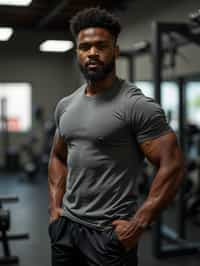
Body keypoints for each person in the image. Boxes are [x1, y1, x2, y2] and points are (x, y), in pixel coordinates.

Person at [48, 7, 183, 266]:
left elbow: (172, 165)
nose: (92, 53)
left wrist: (140, 220)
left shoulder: (137, 105)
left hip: (108, 235)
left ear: (115, 51)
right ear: (77, 52)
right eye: (84, 47)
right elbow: (57, 156)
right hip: (66, 229)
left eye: (101, 46)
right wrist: (55, 209)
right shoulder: (66, 105)